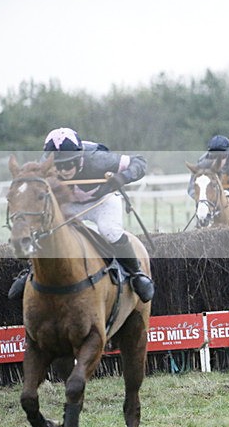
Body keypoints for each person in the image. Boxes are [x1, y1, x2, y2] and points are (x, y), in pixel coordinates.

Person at [8, 128, 154, 302]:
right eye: (58, 165)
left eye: (68, 164)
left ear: (79, 158)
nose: (63, 170)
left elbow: (140, 161)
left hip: (102, 201)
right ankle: (31, 270)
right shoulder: (45, 164)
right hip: (71, 204)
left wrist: (123, 177)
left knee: (109, 231)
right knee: (47, 231)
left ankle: (136, 273)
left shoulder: (98, 159)